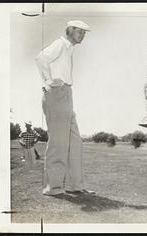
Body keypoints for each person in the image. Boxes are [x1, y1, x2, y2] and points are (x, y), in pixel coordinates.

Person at [35, 20, 94, 196]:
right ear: (70, 30)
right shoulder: (60, 44)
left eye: (84, 33)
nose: (82, 35)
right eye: (80, 31)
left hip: (66, 93)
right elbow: (40, 58)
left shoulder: (69, 48)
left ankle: (75, 185)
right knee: (58, 144)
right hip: (57, 94)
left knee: (75, 142)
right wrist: (48, 80)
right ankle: (53, 188)